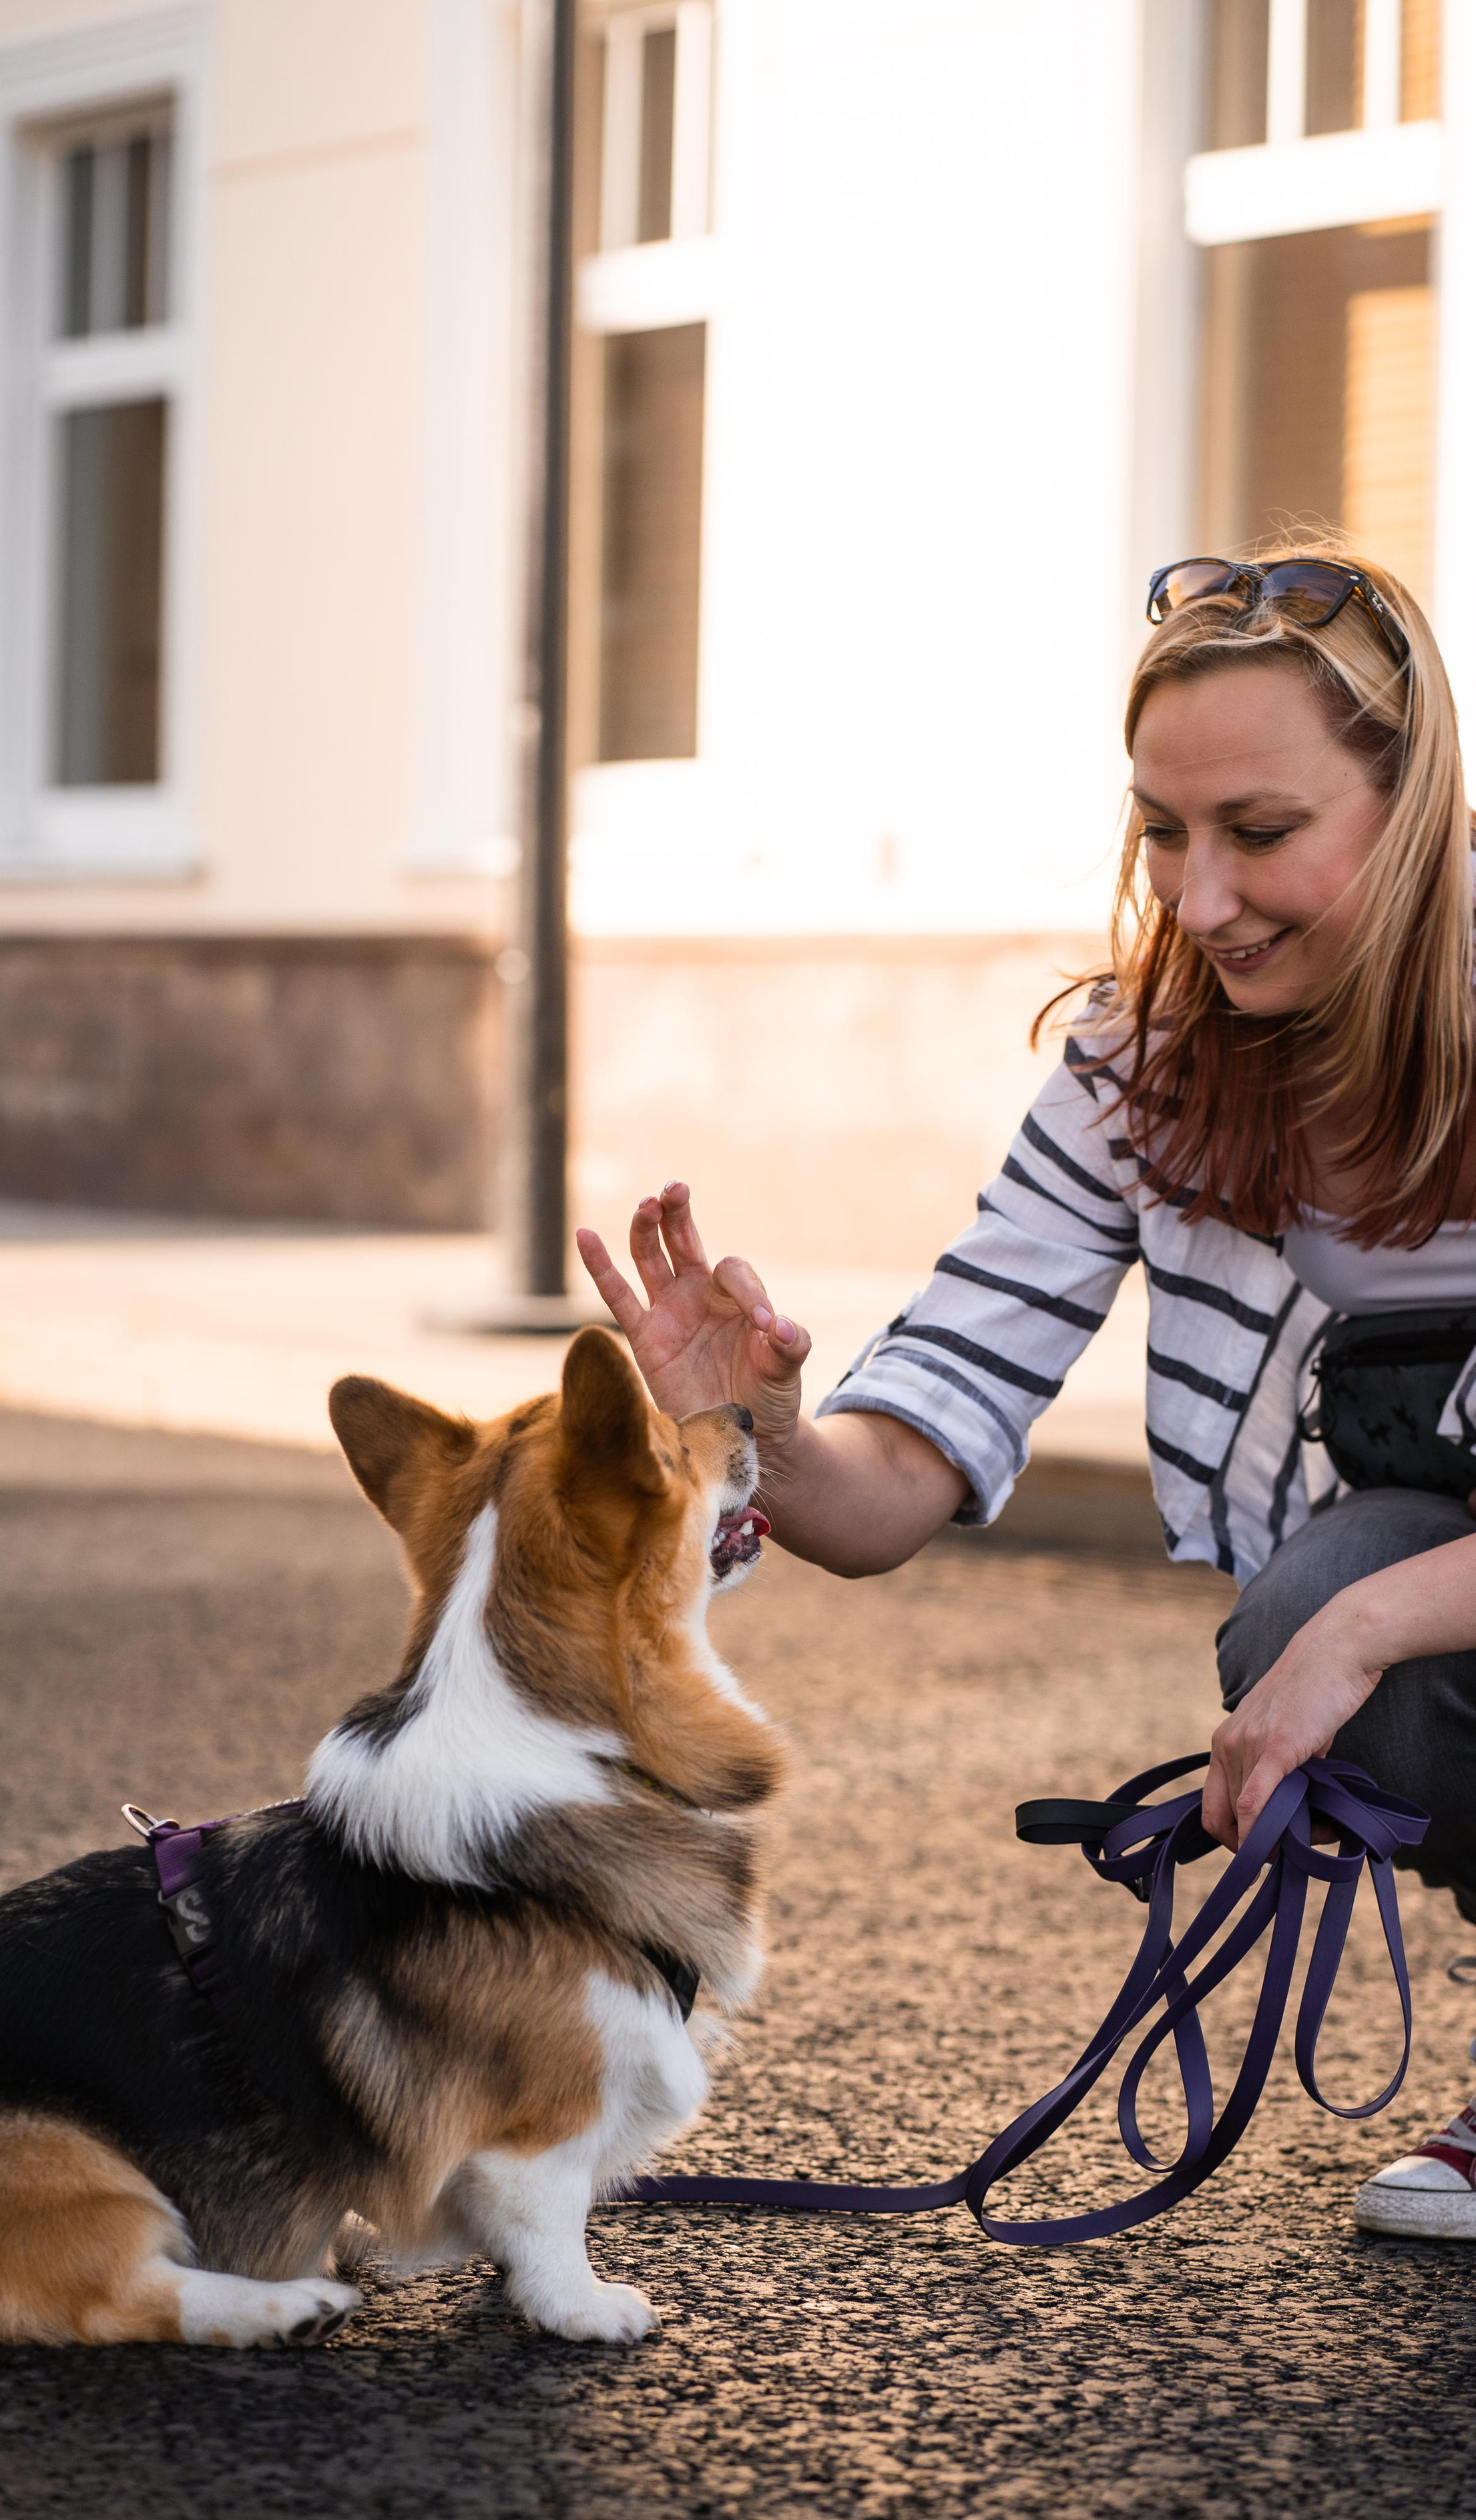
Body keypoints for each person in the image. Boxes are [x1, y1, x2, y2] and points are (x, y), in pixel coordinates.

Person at [577, 545, 1476, 2243]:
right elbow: (897, 1479)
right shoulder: (1145, 1067)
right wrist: (753, 1427)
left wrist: (1357, 1636)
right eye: (1162, 831)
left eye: (1258, 832)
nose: (1197, 900)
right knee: (1314, 1606)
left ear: (1413, 805)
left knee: (1340, 1620)